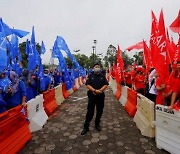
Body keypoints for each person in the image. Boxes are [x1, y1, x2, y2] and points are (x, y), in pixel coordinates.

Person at [81, 63, 109, 135]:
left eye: (98, 67)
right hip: (92, 96)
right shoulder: (90, 76)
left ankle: (97, 124)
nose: (97, 68)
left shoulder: (102, 76)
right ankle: (86, 127)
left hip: (100, 96)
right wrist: (94, 90)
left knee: (99, 111)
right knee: (90, 111)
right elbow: (87, 84)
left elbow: (106, 84)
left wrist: (100, 91)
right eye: (96, 67)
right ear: (93, 68)